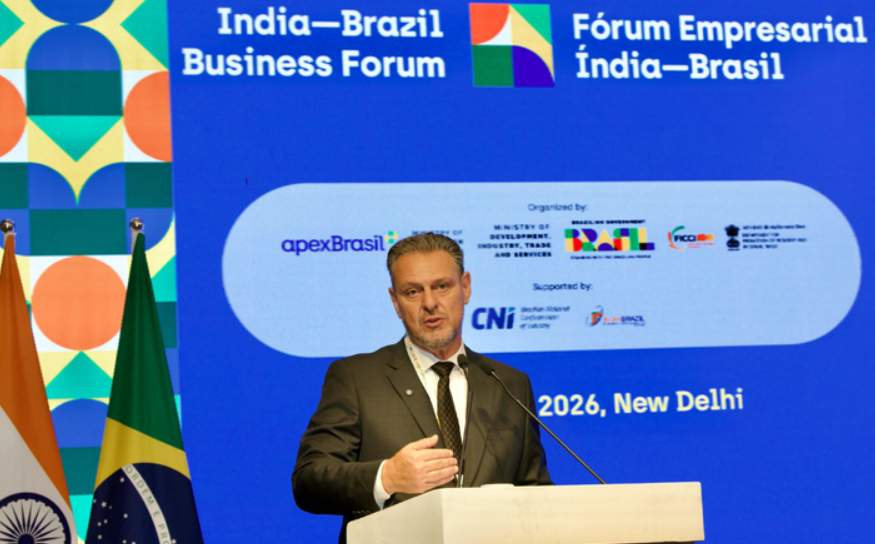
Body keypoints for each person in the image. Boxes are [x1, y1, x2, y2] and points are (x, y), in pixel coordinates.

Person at [292, 232, 551, 542]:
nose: (429, 303)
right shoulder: (357, 378)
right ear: (395, 301)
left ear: (466, 287)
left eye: (442, 286)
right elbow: (309, 481)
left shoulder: (509, 384)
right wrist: (386, 477)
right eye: (412, 291)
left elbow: (535, 493)